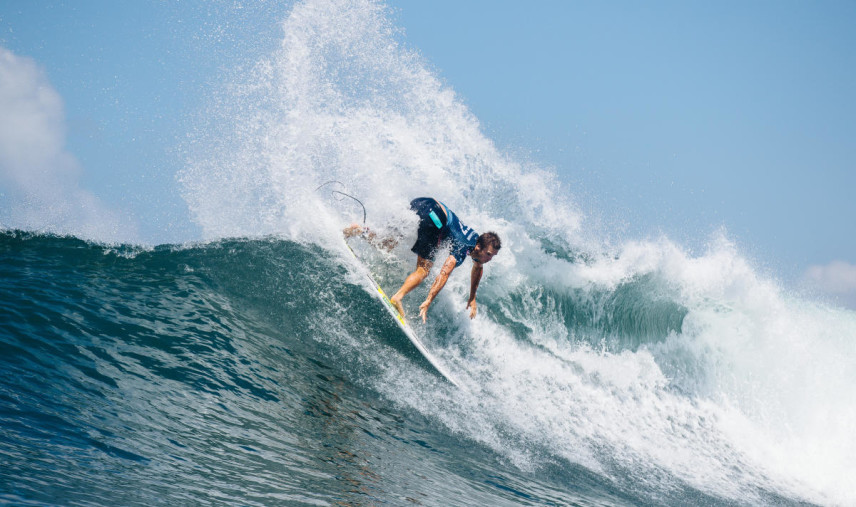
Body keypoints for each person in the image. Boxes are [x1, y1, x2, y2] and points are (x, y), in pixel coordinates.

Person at [345, 197, 501, 323]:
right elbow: (445, 273)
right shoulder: (464, 246)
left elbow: (478, 267)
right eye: (488, 254)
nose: (489, 259)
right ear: (479, 247)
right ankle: (397, 297)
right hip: (435, 218)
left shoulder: (477, 240)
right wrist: (428, 300)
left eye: (492, 256)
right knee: (424, 269)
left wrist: (472, 297)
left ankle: (359, 230)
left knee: (386, 244)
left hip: (422, 203)